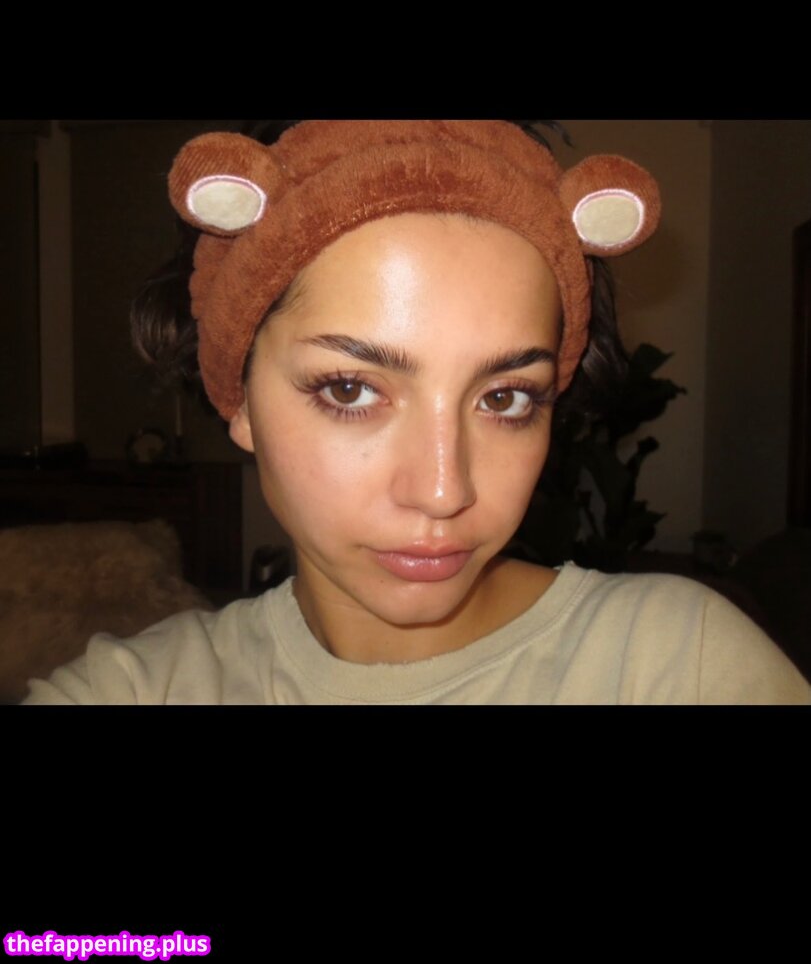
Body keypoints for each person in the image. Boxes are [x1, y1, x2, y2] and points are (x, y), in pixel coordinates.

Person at [24, 120, 811, 705]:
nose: (443, 492)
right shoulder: (135, 689)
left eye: (504, 398)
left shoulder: (676, 664)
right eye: (350, 390)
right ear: (240, 398)